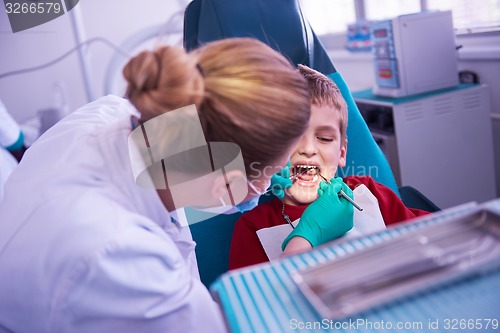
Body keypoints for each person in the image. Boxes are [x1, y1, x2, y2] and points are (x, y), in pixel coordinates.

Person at [0, 38, 311, 333]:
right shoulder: (120, 255)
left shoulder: (117, 116)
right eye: (270, 174)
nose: (273, 183)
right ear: (227, 185)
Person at [229, 65, 430, 270]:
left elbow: (435, 237)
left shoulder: (367, 192)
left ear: (342, 153)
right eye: (291, 136)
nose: (308, 149)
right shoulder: (253, 227)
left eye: (324, 138)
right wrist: (307, 237)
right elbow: (254, 298)